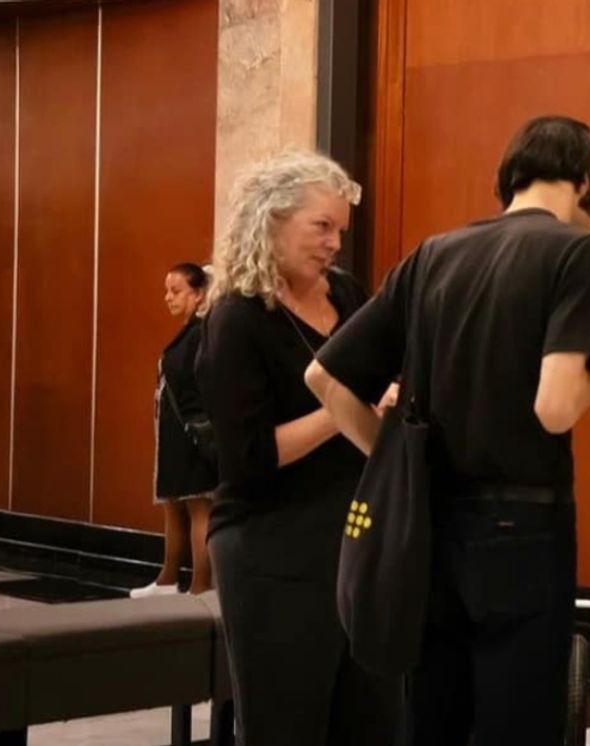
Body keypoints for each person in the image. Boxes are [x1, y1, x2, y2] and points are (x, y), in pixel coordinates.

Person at [306, 115, 590, 745]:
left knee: (435, 717)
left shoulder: (435, 253)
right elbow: (555, 408)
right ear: (584, 181)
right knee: (517, 723)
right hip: (524, 534)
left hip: (428, 528)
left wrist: (390, 455)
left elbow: (323, 377)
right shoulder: (579, 253)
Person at [196, 151, 399, 745]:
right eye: (322, 227)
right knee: (287, 722)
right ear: (271, 221)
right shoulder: (236, 318)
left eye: (341, 230)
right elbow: (249, 458)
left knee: (372, 719)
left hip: (351, 538)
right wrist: (343, 410)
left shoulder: (348, 294)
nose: (335, 242)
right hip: (270, 547)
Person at [132, 263, 216, 598]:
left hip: (192, 435)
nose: (168, 298)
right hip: (175, 435)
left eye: (176, 291)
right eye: (166, 291)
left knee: (198, 507)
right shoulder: (189, 333)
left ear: (199, 294)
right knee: (174, 505)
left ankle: (200, 586)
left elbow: (198, 388)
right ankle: (168, 579)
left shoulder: (201, 333)